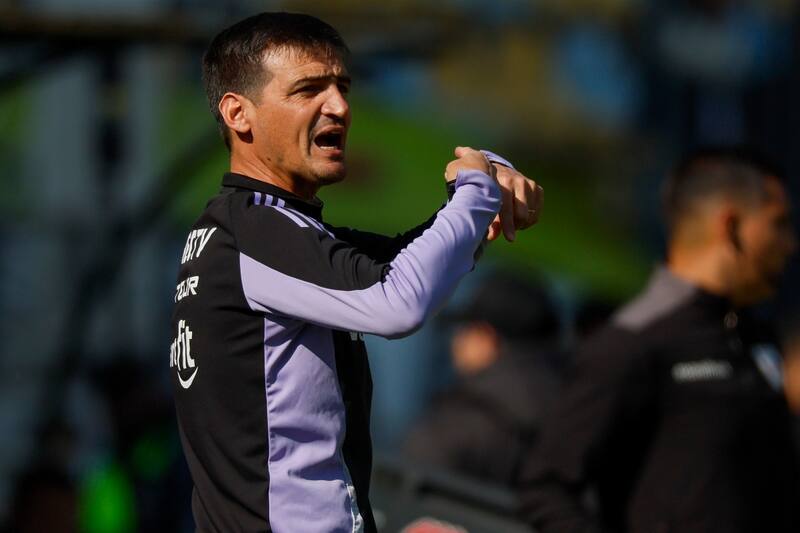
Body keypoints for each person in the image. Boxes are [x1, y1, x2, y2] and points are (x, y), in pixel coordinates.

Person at [170, 12, 542, 533]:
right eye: (309, 89)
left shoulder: (267, 228)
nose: (340, 106)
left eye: (343, 86)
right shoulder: (252, 228)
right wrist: (477, 189)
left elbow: (407, 260)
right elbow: (397, 301)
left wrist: (488, 185)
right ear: (239, 113)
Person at [518, 146, 800, 533]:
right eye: (779, 224)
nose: (790, 243)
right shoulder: (635, 340)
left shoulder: (755, 336)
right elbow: (546, 487)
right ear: (730, 226)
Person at [404, 272, 564, 487]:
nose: (456, 340)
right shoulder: (574, 413)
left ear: (487, 337)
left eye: (465, 328)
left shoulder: (459, 421)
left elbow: (400, 489)